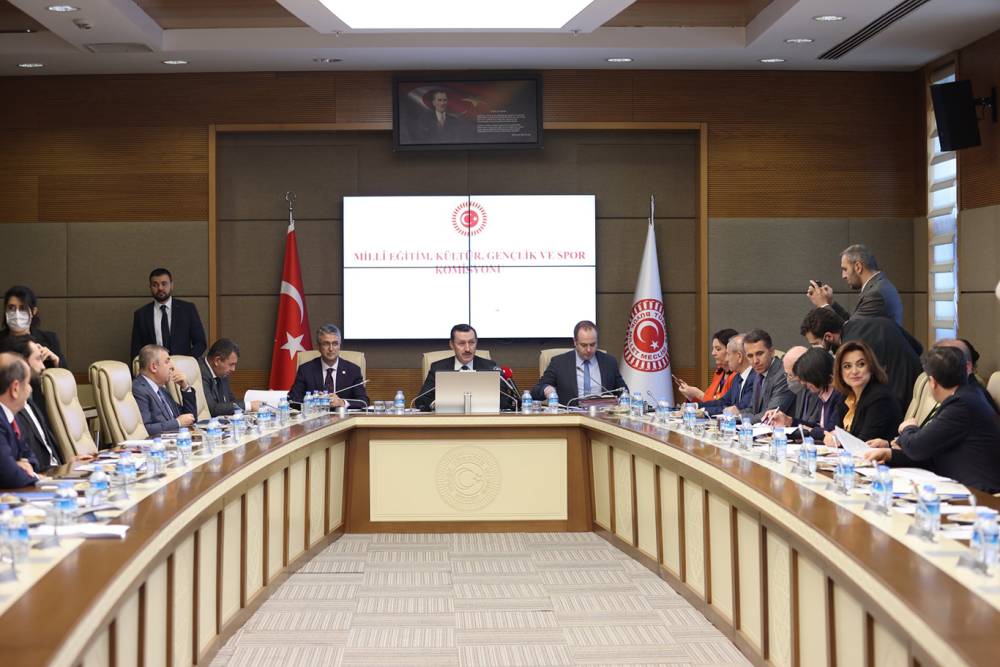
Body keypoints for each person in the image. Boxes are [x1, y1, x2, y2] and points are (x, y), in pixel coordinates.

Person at [864, 346, 1000, 493]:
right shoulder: (968, 396)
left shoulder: (961, 405)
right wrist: (889, 454)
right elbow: (929, 449)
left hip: (979, 496)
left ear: (932, 381)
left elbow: (917, 447)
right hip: (962, 488)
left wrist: (907, 428)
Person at [799, 307, 920, 409]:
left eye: (815, 344)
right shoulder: (878, 321)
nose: (815, 349)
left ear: (828, 337)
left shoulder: (851, 349)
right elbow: (918, 348)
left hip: (895, 403)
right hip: (920, 389)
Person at [11, 338, 93, 470]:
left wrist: (66, 465)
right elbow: (28, 466)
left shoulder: (30, 404)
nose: (43, 367)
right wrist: (59, 471)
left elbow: (49, 453)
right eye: (38, 359)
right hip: (41, 479)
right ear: (23, 364)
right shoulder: (12, 411)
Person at [415, 324, 516, 412]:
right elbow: (421, 400)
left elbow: (505, 401)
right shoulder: (438, 368)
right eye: (461, 343)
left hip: (482, 421)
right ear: (452, 345)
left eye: (471, 342)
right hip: (448, 421)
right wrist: (436, 404)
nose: (467, 349)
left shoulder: (490, 367)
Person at [531, 320, 628, 405]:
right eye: (584, 345)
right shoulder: (559, 363)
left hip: (602, 416)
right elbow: (536, 391)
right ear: (575, 342)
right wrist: (547, 389)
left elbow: (623, 391)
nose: (589, 350)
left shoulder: (609, 362)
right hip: (571, 416)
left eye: (592, 344)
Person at [824, 340, 901, 446]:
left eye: (861, 364)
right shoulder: (846, 396)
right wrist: (832, 437)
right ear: (840, 372)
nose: (854, 371)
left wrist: (838, 439)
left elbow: (863, 443)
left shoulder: (880, 398)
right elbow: (833, 430)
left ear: (871, 367)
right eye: (847, 366)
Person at [807, 243, 903, 325]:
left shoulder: (875, 294)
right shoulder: (879, 286)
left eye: (845, 269)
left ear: (858, 267)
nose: (843, 276)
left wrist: (823, 305)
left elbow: (852, 330)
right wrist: (830, 303)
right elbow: (853, 323)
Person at [767, 347, 844, 441]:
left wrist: (809, 430)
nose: (803, 383)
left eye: (806, 377)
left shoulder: (839, 396)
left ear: (818, 374)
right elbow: (819, 427)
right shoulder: (823, 394)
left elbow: (829, 432)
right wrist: (789, 421)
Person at [130, 268, 207, 361]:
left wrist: (186, 361)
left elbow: (200, 343)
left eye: (164, 284)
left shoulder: (187, 309)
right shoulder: (141, 314)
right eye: (155, 285)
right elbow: (136, 350)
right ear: (150, 287)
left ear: (171, 285)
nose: (160, 288)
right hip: (154, 367)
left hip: (182, 366)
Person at [287, 324, 368, 409]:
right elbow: (292, 400)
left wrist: (342, 402)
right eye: (326, 344)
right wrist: (313, 401)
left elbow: (364, 402)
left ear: (339, 346)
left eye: (335, 344)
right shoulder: (306, 370)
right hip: (315, 416)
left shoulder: (353, 370)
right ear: (319, 347)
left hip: (344, 416)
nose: (331, 349)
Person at [132, 344, 197, 437]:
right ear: (154, 367)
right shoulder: (139, 390)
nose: (172, 366)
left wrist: (185, 387)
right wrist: (177, 423)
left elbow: (190, 418)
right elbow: (146, 429)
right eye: (167, 362)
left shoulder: (162, 390)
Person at [0, 285, 68, 370]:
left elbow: (67, 374)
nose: (16, 313)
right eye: (11, 308)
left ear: (33, 311)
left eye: (22, 308)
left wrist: (56, 361)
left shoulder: (50, 339)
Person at [0, 353, 39, 488]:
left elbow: (31, 457)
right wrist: (21, 470)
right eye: (27, 383)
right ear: (15, 388)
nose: (30, 389)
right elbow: (10, 476)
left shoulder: (11, 418)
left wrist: (24, 465)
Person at [743, 329, 794, 422]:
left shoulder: (783, 374)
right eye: (750, 356)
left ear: (772, 352)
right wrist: (733, 417)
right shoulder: (758, 374)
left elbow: (771, 414)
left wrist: (743, 419)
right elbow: (752, 409)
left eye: (759, 354)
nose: (755, 361)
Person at [199, 338, 259, 417]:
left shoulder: (221, 372)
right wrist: (248, 406)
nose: (233, 369)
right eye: (231, 364)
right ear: (217, 361)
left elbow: (231, 401)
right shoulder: (199, 372)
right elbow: (212, 409)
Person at [676, 328, 739, 402]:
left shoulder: (737, 376)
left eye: (718, 349)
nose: (713, 353)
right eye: (713, 349)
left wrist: (699, 394)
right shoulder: (718, 373)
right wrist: (690, 395)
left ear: (730, 350)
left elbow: (724, 404)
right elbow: (707, 402)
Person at [699, 334, 755, 416]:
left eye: (728, 354)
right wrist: (696, 406)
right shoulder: (738, 377)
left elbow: (740, 408)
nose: (727, 359)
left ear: (739, 356)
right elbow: (724, 402)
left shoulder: (755, 378)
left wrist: (702, 411)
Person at [763, 346, 818, 426]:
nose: (787, 379)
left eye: (790, 375)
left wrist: (790, 421)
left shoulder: (820, 392)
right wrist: (789, 421)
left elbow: (819, 428)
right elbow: (805, 424)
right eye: (786, 374)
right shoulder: (800, 391)